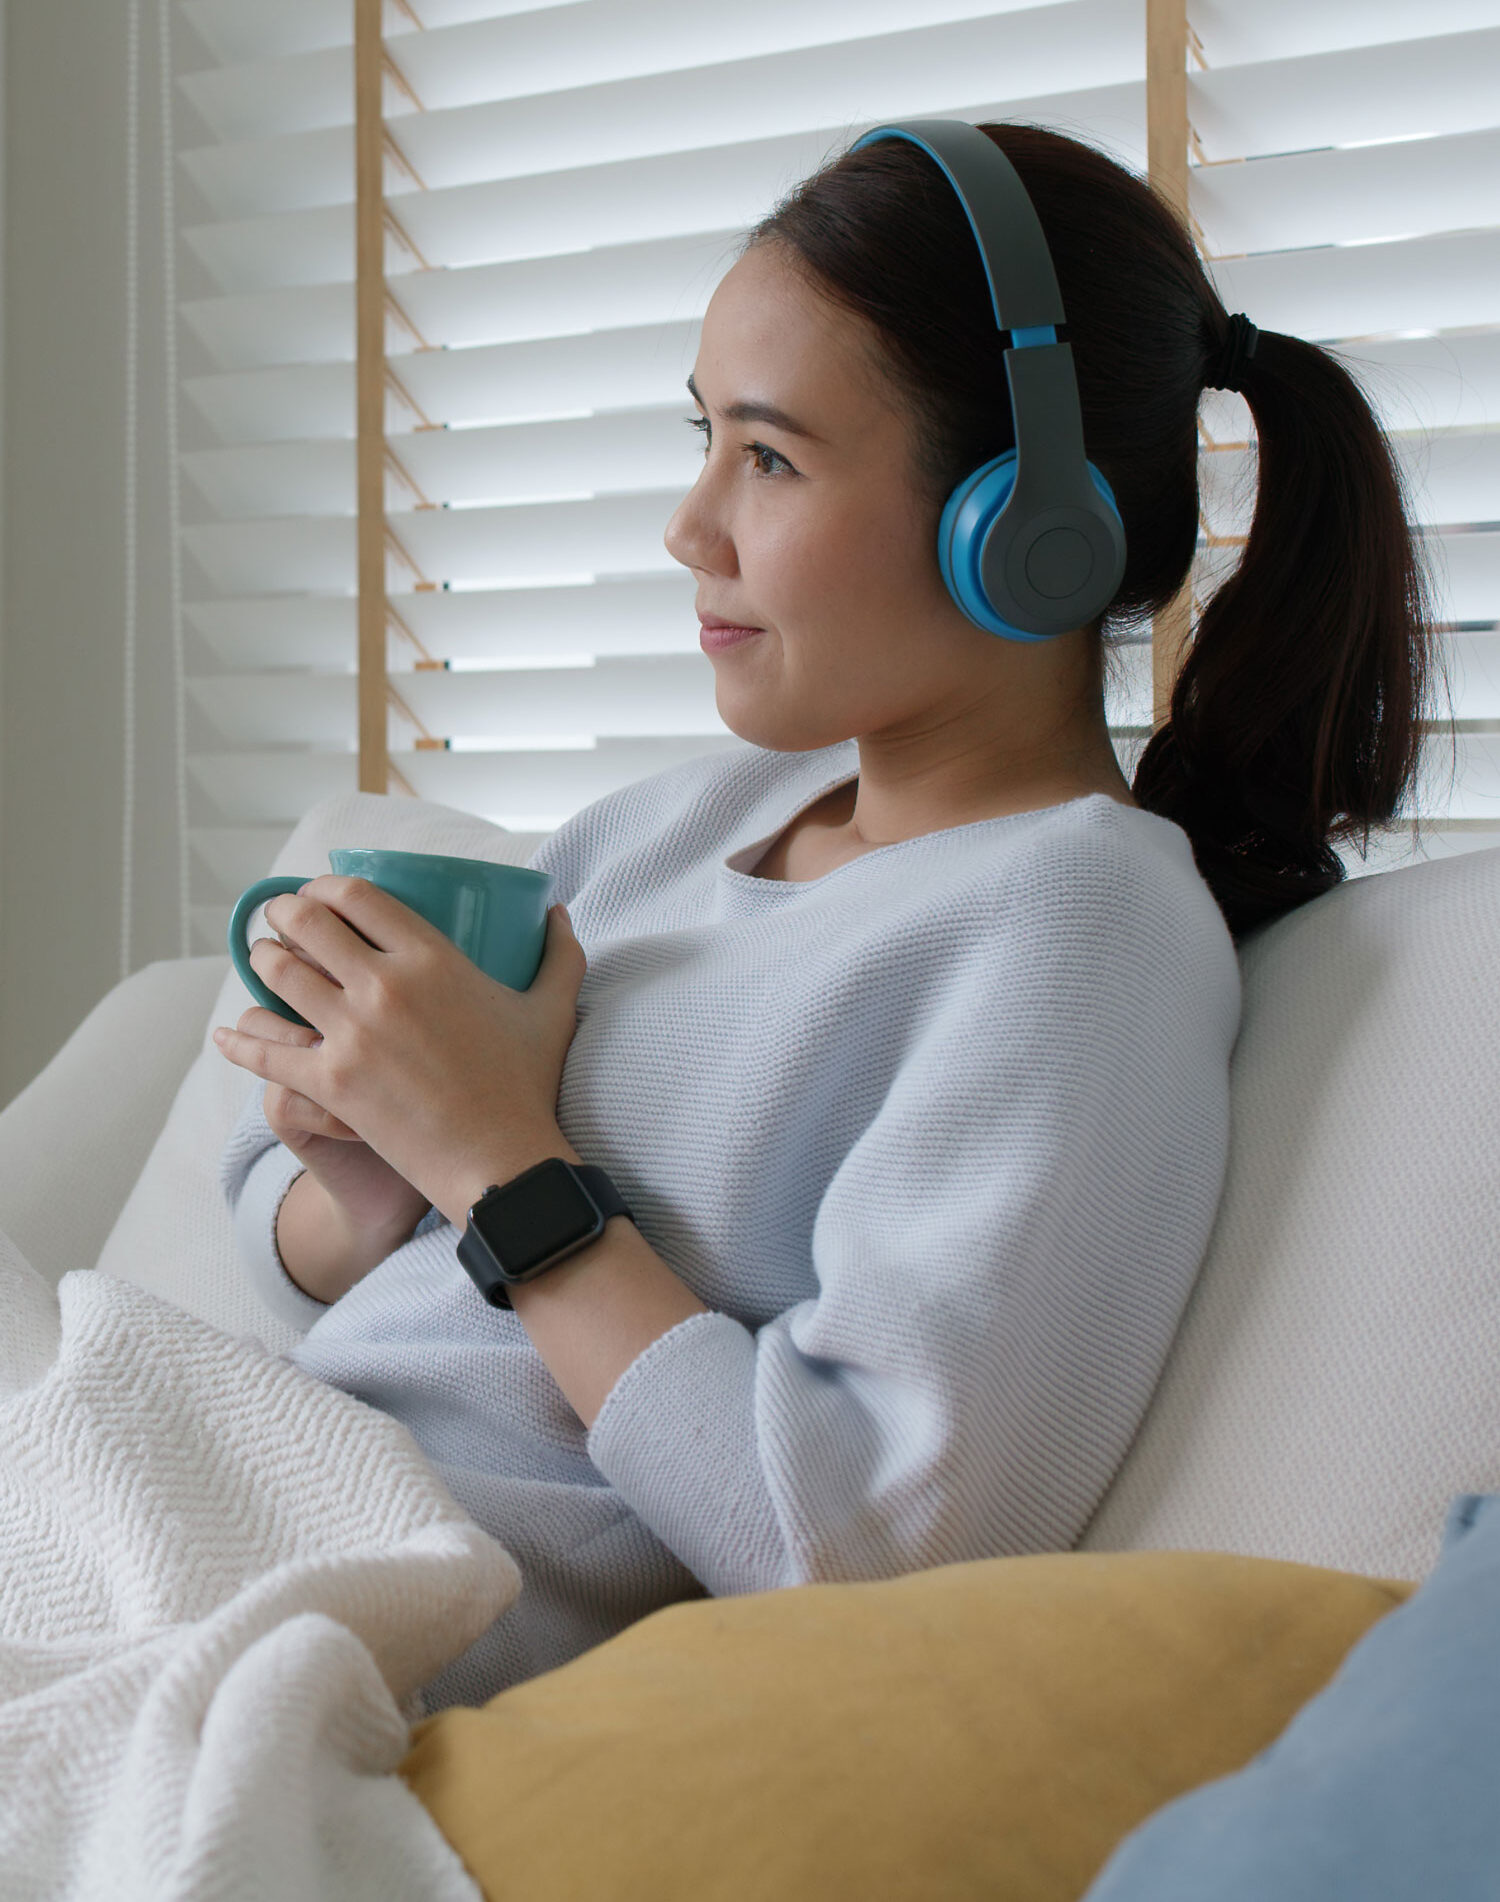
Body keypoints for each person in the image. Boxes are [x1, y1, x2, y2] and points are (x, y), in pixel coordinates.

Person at [215, 121, 1439, 1710]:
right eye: (701, 436)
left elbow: (861, 1539)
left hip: (360, 1608)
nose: (689, 525)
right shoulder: (675, 824)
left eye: (770, 458)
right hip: (233, 1475)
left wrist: (499, 1165)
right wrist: (364, 1169)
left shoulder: (1077, 930)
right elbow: (299, 1264)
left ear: (1021, 526)